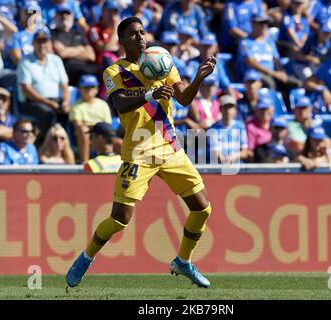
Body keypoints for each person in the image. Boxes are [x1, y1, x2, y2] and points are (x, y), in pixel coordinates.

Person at [66, 16, 216, 289]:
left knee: (203, 208)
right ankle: (87, 256)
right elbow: (120, 105)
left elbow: (183, 98)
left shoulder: (162, 62)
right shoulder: (114, 72)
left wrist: (197, 78)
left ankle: (183, 261)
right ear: (122, 41)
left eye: (143, 32)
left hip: (170, 148)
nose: (141, 37)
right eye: (133, 34)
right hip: (138, 152)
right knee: (119, 219)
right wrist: (151, 95)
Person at [17, 27, 71, 142]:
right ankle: (44, 145)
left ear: (50, 43)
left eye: (45, 41)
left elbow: (64, 85)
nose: (42, 45)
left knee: (71, 112)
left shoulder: (56, 60)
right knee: (48, 114)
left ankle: (64, 147)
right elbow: (26, 89)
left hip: (55, 100)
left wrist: (66, 102)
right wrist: (49, 103)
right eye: (39, 41)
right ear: (33, 43)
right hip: (32, 102)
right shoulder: (25, 61)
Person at [51, 4, 98, 86]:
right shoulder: (52, 34)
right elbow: (62, 53)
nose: (64, 16)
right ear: (55, 17)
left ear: (72, 16)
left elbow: (91, 56)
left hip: (85, 68)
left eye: (67, 14)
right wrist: (81, 49)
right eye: (61, 14)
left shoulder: (78, 33)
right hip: (67, 71)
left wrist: (68, 50)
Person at [69, 74, 112, 162]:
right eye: (86, 87)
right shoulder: (75, 105)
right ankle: (84, 163)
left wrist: (93, 127)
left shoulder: (103, 104)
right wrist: (95, 129)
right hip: (87, 134)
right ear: (80, 89)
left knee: (118, 141)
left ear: (97, 89)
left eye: (92, 86)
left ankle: (114, 163)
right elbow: (78, 125)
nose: (89, 89)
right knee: (84, 131)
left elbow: (108, 125)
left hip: (101, 133)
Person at [208, 95, 249, 164]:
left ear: (235, 110)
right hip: (219, 167)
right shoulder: (213, 129)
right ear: (220, 109)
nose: (228, 110)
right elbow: (215, 152)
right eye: (225, 107)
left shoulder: (240, 126)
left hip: (237, 165)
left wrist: (235, 156)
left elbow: (245, 152)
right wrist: (224, 159)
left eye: (230, 107)